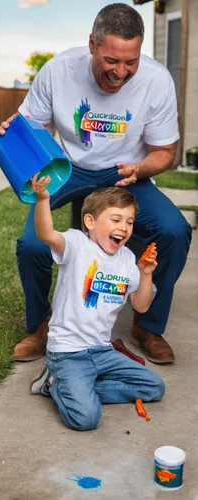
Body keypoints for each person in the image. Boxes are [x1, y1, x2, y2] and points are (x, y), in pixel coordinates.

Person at [0, 3, 191, 364]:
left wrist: (142, 168)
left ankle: (148, 325)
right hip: (69, 169)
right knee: (32, 245)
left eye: (130, 62)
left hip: (124, 173)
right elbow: (26, 126)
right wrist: (10, 133)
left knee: (174, 230)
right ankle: (40, 326)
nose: (121, 72)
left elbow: (165, 150)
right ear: (92, 44)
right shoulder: (58, 71)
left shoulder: (157, 79)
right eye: (112, 61)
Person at [29, 173, 164, 431]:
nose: (124, 228)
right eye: (115, 219)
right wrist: (43, 199)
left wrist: (146, 273)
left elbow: (142, 305)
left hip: (102, 352)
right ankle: (55, 384)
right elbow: (45, 233)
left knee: (154, 387)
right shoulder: (76, 244)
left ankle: (79, 387)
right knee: (86, 419)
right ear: (90, 221)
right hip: (68, 352)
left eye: (130, 222)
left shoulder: (126, 259)